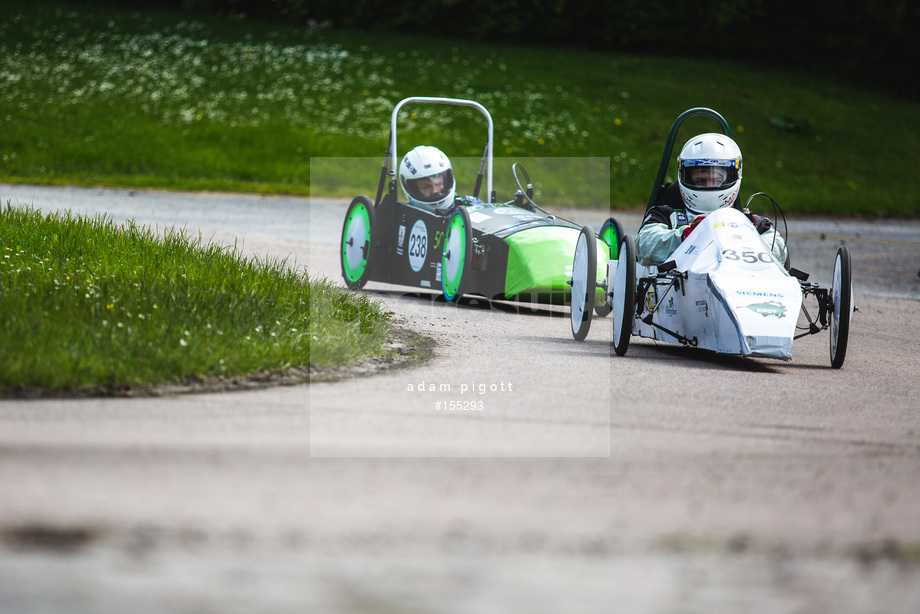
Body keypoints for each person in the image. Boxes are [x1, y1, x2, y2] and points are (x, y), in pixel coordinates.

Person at [636, 133, 787, 267]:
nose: (708, 185)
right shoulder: (667, 216)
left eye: (715, 180)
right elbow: (644, 245)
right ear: (685, 177)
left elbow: (779, 248)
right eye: (700, 180)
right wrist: (686, 236)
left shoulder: (750, 224)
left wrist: (744, 242)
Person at [398, 145, 483, 211]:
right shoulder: (402, 214)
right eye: (426, 187)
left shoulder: (470, 205)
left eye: (438, 184)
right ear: (413, 189)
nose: (435, 191)